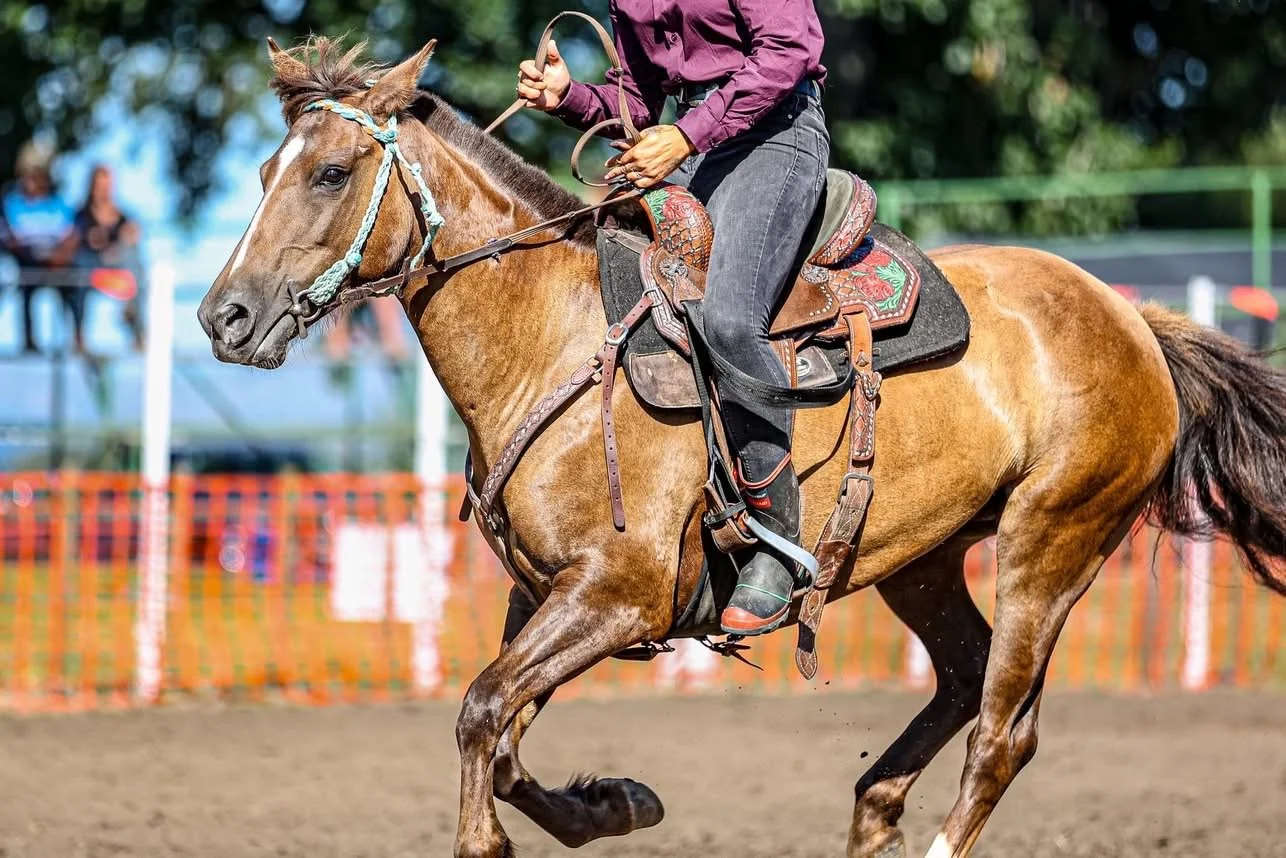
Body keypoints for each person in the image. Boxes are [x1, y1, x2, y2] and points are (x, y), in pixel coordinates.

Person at [517, 0, 831, 635]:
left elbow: (788, 51)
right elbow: (638, 101)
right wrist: (570, 96)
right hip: (690, 151)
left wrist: (687, 135)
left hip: (777, 137)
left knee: (732, 322)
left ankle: (777, 542)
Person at [1, 142, 79, 354]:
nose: (32, 181)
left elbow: (71, 236)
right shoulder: (12, 204)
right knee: (25, 279)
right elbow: (11, 240)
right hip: (28, 262)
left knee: (75, 279)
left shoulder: (59, 204)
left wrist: (58, 256)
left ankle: (77, 338)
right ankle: (29, 339)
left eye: (38, 176)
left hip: (58, 263)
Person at [74, 164, 146, 351]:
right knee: (82, 265)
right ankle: (79, 335)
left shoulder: (123, 215)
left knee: (133, 257)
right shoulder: (82, 215)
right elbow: (78, 241)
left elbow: (133, 236)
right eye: (100, 186)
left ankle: (134, 316)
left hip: (118, 269)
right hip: (91, 269)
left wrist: (122, 241)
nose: (104, 191)